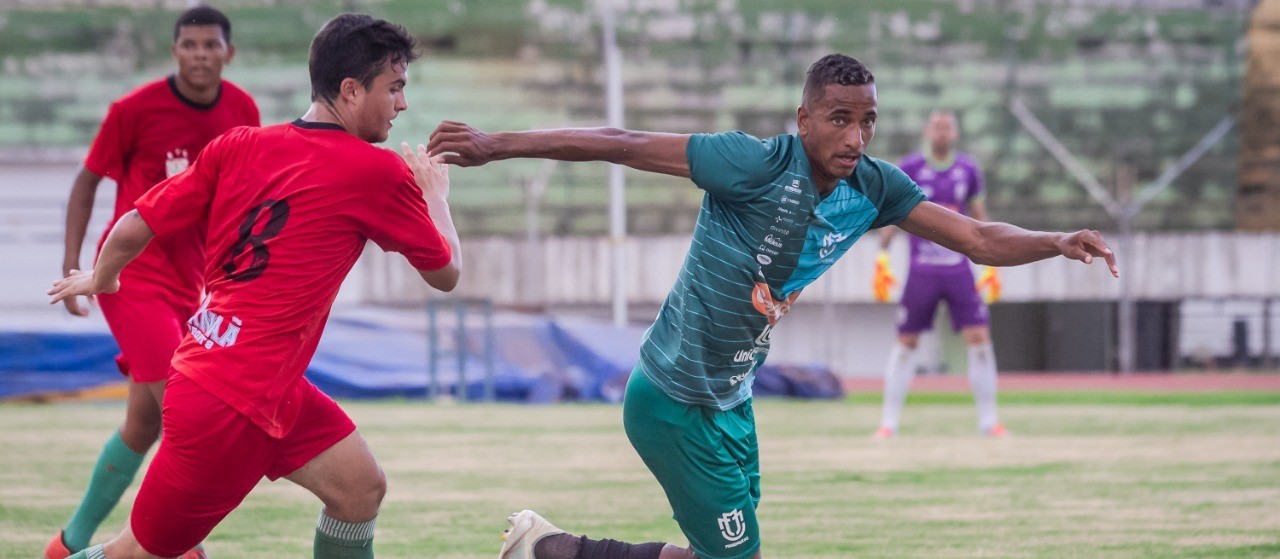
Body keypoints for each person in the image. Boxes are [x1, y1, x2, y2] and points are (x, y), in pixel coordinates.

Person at [428, 54, 1117, 559]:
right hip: (671, 400)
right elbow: (625, 144)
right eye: (840, 119)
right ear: (805, 118)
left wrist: (1055, 239)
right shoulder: (751, 163)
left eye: (868, 121)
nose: (855, 138)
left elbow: (973, 236)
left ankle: (552, 550)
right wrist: (496, 144)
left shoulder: (874, 186)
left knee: (718, 554)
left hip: (731, 400)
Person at [47, 13, 460, 559]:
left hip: (253, 381)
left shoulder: (237, 142)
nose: (402, 104)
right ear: (351, 89)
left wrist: (102, 277)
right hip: (231, 402)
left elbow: (135, 223)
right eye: (396, 87)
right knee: (138, 554)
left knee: (359, 488)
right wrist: (436, 196)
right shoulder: (376, 172)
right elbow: (447, 273)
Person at [48, 5, 259, 558]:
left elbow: (247, 199)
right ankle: (177, 546)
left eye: (210, 45)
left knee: (143, 425)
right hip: (128, 279)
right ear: (175, 51)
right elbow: (87, 182)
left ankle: (66, 545)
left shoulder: (243, 111)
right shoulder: (133, 110)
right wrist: (77, 266)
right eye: (189, 45)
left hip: (192, 288)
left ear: (227, 53)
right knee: (187, 412)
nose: (199, 55)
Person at [873, 109, 1005, 439]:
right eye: (937, 127)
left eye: (947, 127)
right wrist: (882, 257)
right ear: (927, 132)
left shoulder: (968, 170)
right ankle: (889, 423)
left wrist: (990, 263)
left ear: (955, 134)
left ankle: (989, 421)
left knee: (979, 339)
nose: (942, 133)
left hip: (958, 270)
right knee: (906, 341)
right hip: (922, 271)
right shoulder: (910, 168)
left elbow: (979, 216)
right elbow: (891, 214)